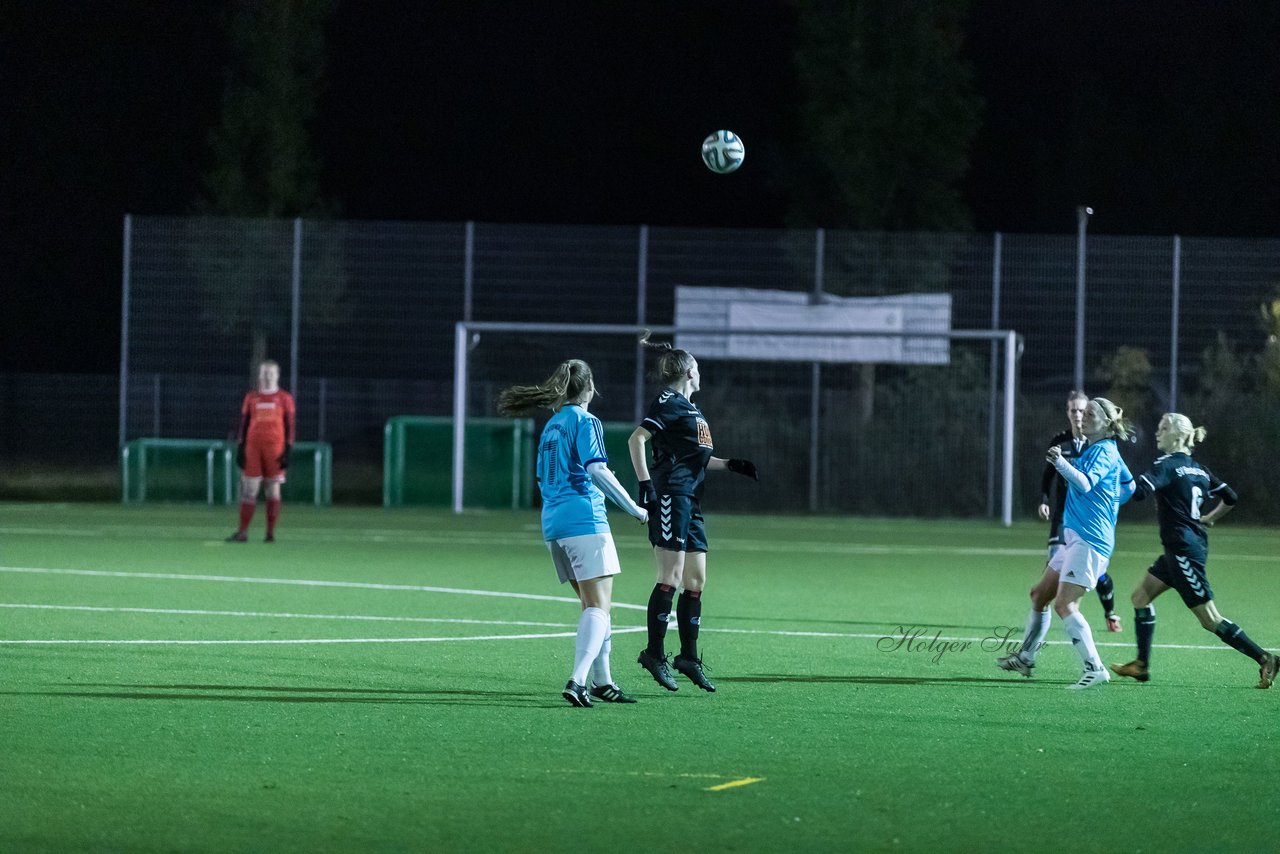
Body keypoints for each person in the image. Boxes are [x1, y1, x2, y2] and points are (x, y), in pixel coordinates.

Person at [498, 359, 649, 708]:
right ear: (590, 387)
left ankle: (603, 681)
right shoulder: (585, 420)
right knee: (599, 605)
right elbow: (596, 469)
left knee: (592, 606)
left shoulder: (552, 425)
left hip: (554, 523)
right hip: (584, 520)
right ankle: (578, 680)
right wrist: (635, 509)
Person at [628, 333, 758, 693]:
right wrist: (646, 484)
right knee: (669, 576)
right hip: (671, 495)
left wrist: (731, 465)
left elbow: (696, 459)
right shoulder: (668, 401)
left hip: (691, 500)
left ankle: (687, 657)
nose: (701, 374)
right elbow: (637, 439)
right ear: (688, 373)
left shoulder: (692, 410)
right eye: (697, 369)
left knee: (696, 581)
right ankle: (654, 654)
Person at [1110, 413, 1278, 688]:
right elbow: (1231, 497)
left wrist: (1115, 471)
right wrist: (1210, 518)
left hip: (1183, 552)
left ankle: (1264, 658)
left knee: (1209, 619)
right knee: (1141, 596)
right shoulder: (1198, 468)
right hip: (1183, 547)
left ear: (1177, 435)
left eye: (1163, 428)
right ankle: (1141, 665)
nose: (1157, 433)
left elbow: (1139, 492)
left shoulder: (1167, 465)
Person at [997, 397, 1135, 689]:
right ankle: (1026, 657)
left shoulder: (1104, 451)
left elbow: (1085, 483)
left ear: (1107, 423)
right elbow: (1130, 485)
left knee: (1065, 604)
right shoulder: (1101, 449)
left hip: (1089, 539)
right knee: (1039, 595)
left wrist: (1060, 462)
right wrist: (1112, 501)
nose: (1083, 416)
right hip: (1074, 538)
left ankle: (1095, 668)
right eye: (1082, 412)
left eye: (1091, 413)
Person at [1038, 390, 1122, 632]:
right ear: (1068, 412)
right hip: (1063, 516)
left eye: (1084, 411)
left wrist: (1111, 504)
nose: (1079, 415)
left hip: (1088, 523)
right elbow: (1047, 476)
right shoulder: (1060, 441)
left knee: (1095, 575)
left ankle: (1106, 613)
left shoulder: (1099, 445)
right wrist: (1044, 499)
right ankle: (1029, 652)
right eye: (1074, 410)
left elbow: (1121, 483)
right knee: (1046, 583)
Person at [227, 360, 296, 543]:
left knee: (273, 490)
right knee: (249, 489)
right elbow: (244, 424)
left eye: (271, 373)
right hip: (253, 448)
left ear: (277, 375)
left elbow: (290, 426)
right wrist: (240, 448)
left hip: (275, 449)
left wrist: (288, 449)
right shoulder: (251, 397)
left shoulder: (285, 398)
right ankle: (242, 533)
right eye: (264, 373)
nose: (267, 377)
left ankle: (270, 533)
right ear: (259, 375)